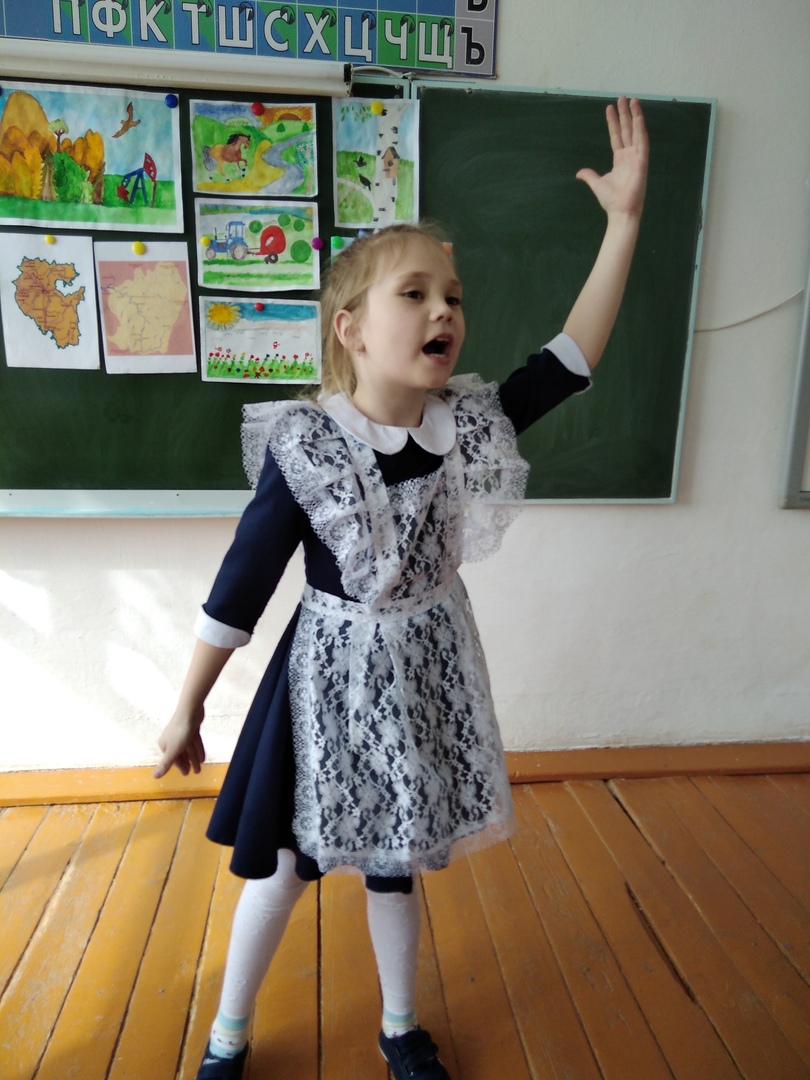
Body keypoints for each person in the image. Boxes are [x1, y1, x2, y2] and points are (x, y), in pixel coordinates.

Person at [155, 96, 648, 1080]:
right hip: (322, 685)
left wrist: (625, 223)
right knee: (283, 869)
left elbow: (572, 358)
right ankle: (227, 1036)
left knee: (397, 862)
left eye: (453, 297)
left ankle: (399, 1026)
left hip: (423, 670)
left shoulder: (465, 423)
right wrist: (187, 706)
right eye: (415, 294)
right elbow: (241, 587)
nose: (444, 313)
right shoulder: (307, 444)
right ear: (350, 328)